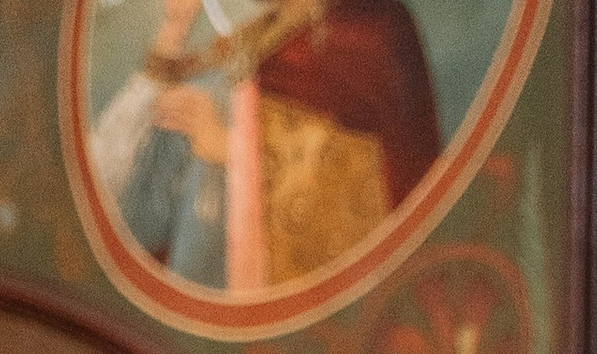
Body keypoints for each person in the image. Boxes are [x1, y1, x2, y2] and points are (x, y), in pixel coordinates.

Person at [93, 0, 441, 296]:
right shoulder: (274, 29)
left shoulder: (372, 31)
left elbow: (382, 193)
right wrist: (174, 28)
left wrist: (230, 150)